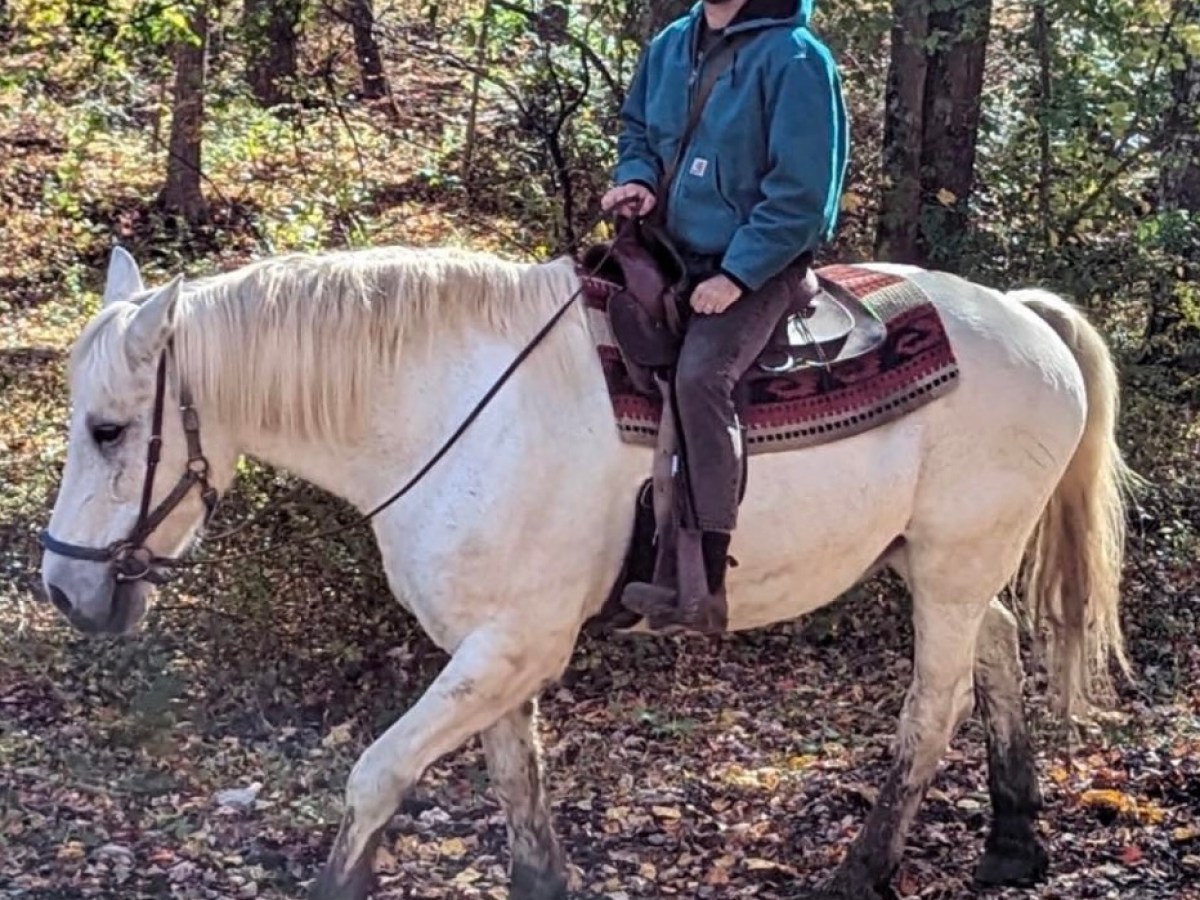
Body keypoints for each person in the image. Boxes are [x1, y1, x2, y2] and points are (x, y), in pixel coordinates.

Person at [601, 0, 849, 633]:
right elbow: (637, 132)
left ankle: (702, 573)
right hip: (669, 253)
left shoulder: (796, 60)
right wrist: (638, 180)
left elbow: (801, 197)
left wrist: (737, 275)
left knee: (700, 377)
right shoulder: (671, 45)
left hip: (759, 264)